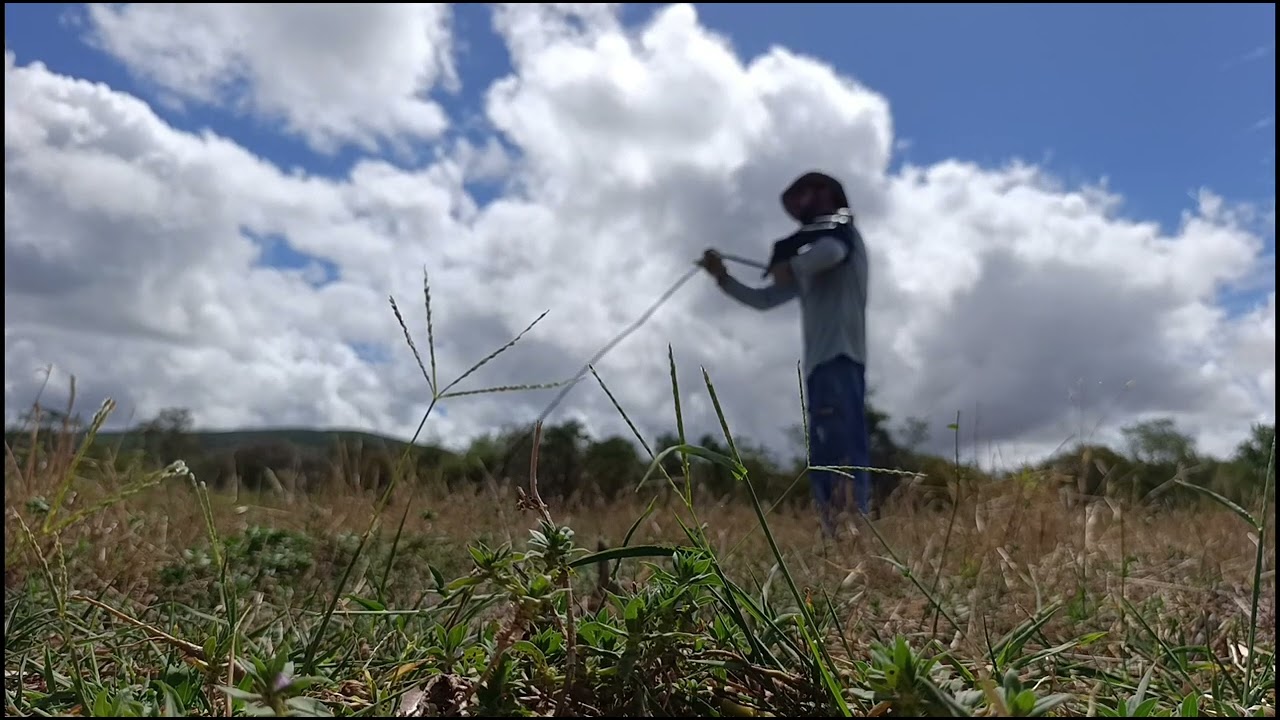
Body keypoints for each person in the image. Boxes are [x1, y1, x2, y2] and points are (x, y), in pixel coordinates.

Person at [698, 171, 872, 536]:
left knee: (839, 451)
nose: (801, 208)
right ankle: (838, 534)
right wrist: (723, 278)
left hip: (839, 360)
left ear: (828, 194)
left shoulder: (843, 234)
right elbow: (765, 299)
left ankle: (850, 534)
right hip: (822, 366)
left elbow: (831, 251)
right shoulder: (814, 262)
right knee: (826, 453)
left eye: (808, 195)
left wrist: (788, 264)